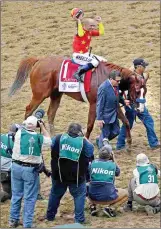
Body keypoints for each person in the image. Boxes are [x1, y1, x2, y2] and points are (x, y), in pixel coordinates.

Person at [45, 123, 94, 224]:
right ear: (79, 133)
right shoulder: (84, 143)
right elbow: (90, 152)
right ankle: (79, 220)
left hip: (58, 174)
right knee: (79, 196)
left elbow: (51, 146)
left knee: (55, 194)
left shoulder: (58, 138)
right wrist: (84, 137)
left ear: (68, 131)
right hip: (76, 177)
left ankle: (50, 216)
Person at [9, 116, 51, 228]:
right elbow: (49, 140)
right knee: (30, 197)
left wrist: (29, 122)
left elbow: (20, 126)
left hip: (16, 167)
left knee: (16, 194)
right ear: (36, 126)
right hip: (30, 169)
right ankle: (27, 224)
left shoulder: (18, 134)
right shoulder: (38, 137)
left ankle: (13, 220)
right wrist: (42, 126)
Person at [116, 58, 160, 150]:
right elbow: (120, 88)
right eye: (144, 66)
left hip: (138, 104)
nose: (145, 67)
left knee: (140, 122)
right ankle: (120, 145)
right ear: (138, 67)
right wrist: (122, 100)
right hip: (132, 105)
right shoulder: (130, 77)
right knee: (130, 124)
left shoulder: (140, 76)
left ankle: (154, 143)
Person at [88, 145, 128, 217]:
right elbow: (118, 173)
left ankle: (92, 206)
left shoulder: (92, 163)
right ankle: (110, 208)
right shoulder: (112, 165)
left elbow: (87, 176)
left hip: (93, 197)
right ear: (110, 156)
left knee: (87, 185)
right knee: (126, 193)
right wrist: (114, 159)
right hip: (108, 197)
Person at [71, 8, 106, 82]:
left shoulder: (90, 32)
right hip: (78, 55)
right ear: (84, 25)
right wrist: (79, 21)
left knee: (103, 60)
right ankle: (78, 73)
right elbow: (80, 34)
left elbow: (101, 32)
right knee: (95, 62)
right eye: (91, 26)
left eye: (94, 26)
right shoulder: (81, 31)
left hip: (86, 54)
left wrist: (99, 23)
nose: (93, 28)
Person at [96, 70, 122, 149]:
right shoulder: (103, 88)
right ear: (111, 79)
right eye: (117, 81)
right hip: (105, 116)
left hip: (114, 114)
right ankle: (102, 152)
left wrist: (124, 101)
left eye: (119, 81)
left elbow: (117, 96)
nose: (119, 83)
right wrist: (99, 118)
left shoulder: (116, 85)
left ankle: (100, 140)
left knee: (116, 131)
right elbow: (99, 104)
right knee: (105, 136)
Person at [0, 124, 19, 202]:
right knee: (12, 193)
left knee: (7, 190)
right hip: (12, 169)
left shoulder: (1, 137)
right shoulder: (17, 141)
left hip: (2, 169)